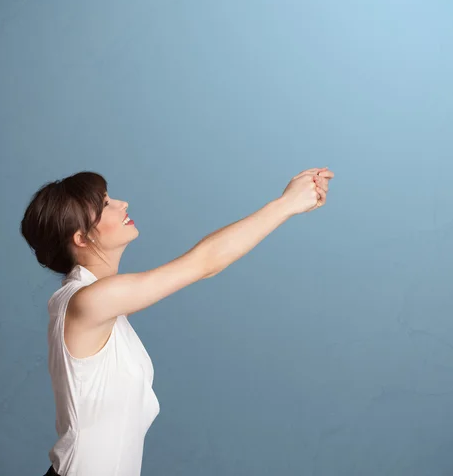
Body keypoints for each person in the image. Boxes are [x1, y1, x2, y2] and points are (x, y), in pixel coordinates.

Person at [20, 166, 334, 476]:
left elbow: (204, 257)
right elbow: (204, 262)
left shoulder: (97, 299)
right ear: (82, 238)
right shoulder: (88, 302)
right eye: (105, 205)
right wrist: (286, 204)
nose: (122, 203)